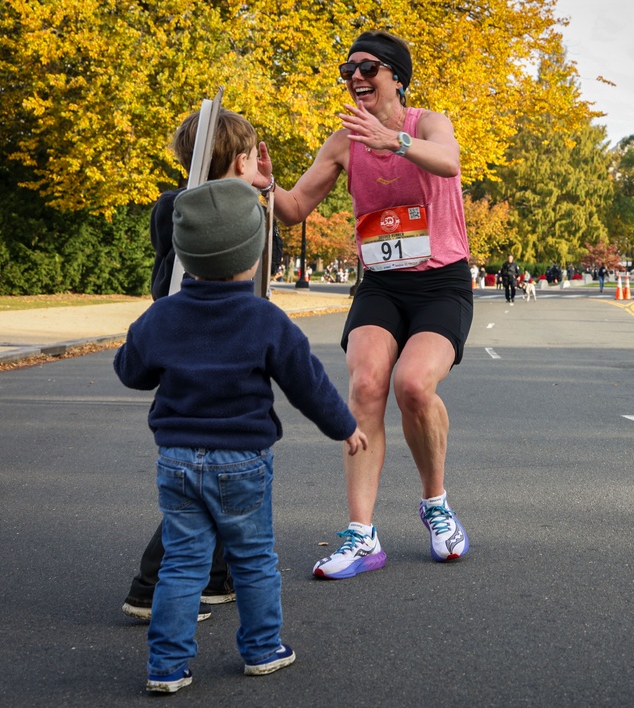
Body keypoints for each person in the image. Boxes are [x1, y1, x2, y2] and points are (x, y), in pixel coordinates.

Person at [115, 179, 368, 693]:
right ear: (253, 256)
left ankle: (166, 665)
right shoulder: (264, 320)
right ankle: (261, 648)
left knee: (183, 563)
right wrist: (345, 426)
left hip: (178, 460)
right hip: (242, 462)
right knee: (253, 559)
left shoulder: (162, 316)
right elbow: (307, 385)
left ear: (185, 254)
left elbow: (131, 371)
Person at [257, 30, 472, 579]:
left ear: (396, 76)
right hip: (380, 284)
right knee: (366, 385)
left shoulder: (428, 123)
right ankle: (361, 536)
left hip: (440, 283)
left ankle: (436, 505)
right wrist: (263, 185)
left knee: (414, 386)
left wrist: (391, 140)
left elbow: (448, 163)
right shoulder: (341, 141)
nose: (356, 77)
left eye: (368, 68)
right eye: (348, 70)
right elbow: (294, 208)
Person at [123, 107, 280, 624]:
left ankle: (214, 579)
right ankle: (151, 586)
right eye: (252, 156)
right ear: (240, 160)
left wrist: (255, 186)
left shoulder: (174, 208)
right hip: (215, 358)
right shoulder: (217, 217)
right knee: (211, 474)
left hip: (184, 356)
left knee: (207, 467)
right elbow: (255, 270)